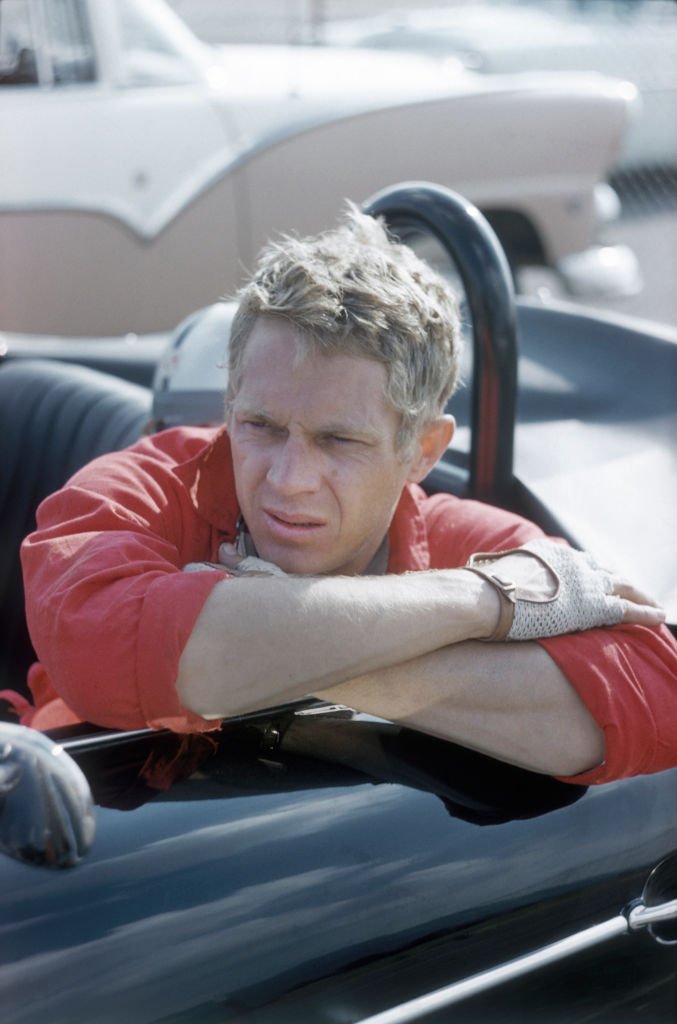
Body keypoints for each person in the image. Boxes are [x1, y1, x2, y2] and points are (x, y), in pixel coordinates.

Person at [15, 206, 676, 785]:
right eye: (261, 426)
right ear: (230, 403)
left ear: (423, 451)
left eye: (339, 441)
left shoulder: (475, 540)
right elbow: (98, 650)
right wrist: (483, 602)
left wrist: (265, 648)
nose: (287, 478)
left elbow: (655, 698)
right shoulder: (137, 487)